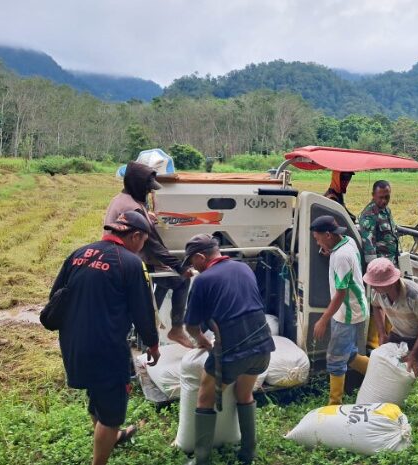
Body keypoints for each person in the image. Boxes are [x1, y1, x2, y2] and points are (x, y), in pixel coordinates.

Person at [50, 211, 161, 465]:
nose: (141, 247)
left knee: (97, 394)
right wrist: (153, 345)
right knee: (112, 411)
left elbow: (55, 297)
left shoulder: (78, 254)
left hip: (73, 344)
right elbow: (143, 312)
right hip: (107, 349)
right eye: (143, 241)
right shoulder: (131, 264)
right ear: (135, 236)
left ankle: (112, 436)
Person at [182, 234, 275, 465]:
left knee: (204, 397)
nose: (192, 268)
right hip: (263, 343)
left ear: (201, 257)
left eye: (192, 262)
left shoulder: (203, 281)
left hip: (232, 350)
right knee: (244, 393)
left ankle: (202, 459)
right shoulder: (243, 268)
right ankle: (248, 453)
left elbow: (191, 326)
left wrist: (201, 340)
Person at [104, 160, 193, 348]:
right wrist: (179, 266)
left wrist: (147, 216)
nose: (149, 192)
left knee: (159, 283)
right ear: (137, 185)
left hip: (123, 255)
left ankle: (145, 332)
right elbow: (152, 244)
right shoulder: (132, 207)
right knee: (179, 281)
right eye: (147, 189)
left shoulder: (123, 199)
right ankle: (172, 330)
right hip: (129, 260)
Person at [364, 257, 418, 397]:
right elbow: (376, 306)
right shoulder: (378, 292)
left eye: (376, 284)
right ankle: (387, 399)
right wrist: (382, 333)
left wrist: (413, 353)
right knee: (386, 364)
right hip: (401, 332)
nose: (372, 287)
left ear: (390, 282)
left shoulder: (415, 295)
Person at [310, 215, 369, 405]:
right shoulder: (347, 241)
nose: (316, 241)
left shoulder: (341, 257)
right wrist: (329, 252)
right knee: (349, 354)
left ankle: (334, 404)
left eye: (317, 238)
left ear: (328, 235)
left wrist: (323, 320)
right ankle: (379, 375)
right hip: (352, 308)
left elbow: (341, 294)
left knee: (335, 359)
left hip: (347, 313)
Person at [359, 179, 399, 267]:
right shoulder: (369, 215)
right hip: (381, 266)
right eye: (381, 197)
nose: (384, 201)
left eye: (387, 197)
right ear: (373, 195)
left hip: (391, 261)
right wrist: (374, 269)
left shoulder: (386, 210)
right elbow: (369, 248)